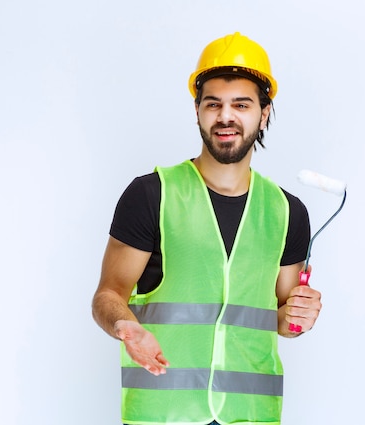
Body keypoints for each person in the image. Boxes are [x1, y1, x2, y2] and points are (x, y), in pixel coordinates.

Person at [92, 31, 322, 425]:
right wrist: (126, 326)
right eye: (213, 104)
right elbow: (108, 295)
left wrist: (301, 313)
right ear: (197, 110)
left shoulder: (288, 212)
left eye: (241, 104)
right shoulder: (152, 195)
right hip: (164, 415)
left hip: (251, 416)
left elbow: (284, 321)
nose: (225, 116)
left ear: (264, 113)